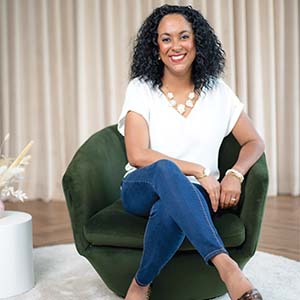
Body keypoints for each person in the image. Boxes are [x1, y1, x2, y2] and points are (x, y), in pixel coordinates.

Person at [117, 4, 265, 300]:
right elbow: (137, 154)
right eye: (166, 38)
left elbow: (254, 142)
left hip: (194, 194)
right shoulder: (141, 88)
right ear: (155, 46)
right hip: (141, 186)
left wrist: (235, 174)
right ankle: (226, 267)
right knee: (167, 170)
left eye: (183, 36)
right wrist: (199, 170)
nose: (176, 46)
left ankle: (140, 285)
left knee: (169, 209)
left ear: (197, 40)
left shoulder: (218, 91)